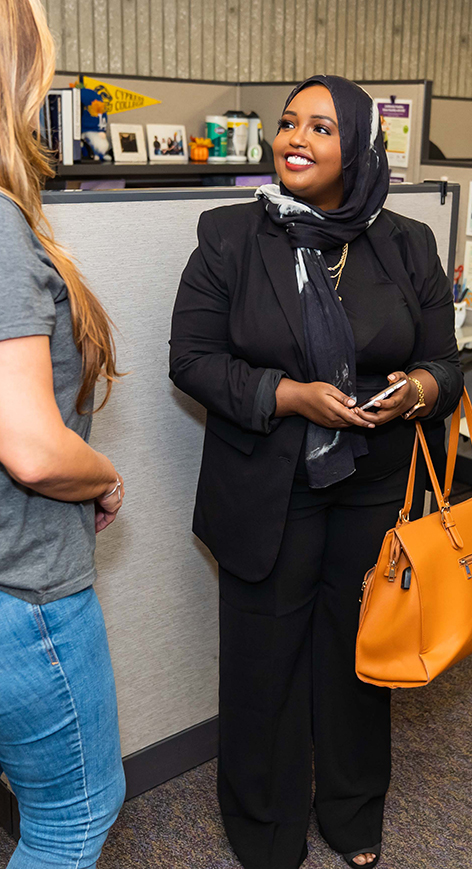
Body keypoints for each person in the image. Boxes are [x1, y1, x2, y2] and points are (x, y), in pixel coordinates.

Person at [169, 75, 462, 869]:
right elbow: (191, 360)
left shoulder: (406, 243)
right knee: (265, 658)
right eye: (289, 123)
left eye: (321, 128)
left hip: (374, 481)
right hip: (268, 481)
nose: (295, 138)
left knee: (358, 651)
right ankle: (264, 828)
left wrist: (419, 390)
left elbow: (446, 362)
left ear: (359, 147)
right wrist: (288, 394)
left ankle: (352, 809)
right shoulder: (231, 235)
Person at [0, 0, 127, 866]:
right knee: (76, 814)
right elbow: (35, 449)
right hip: (24, 587)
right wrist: (105, 474)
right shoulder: (1, 232)